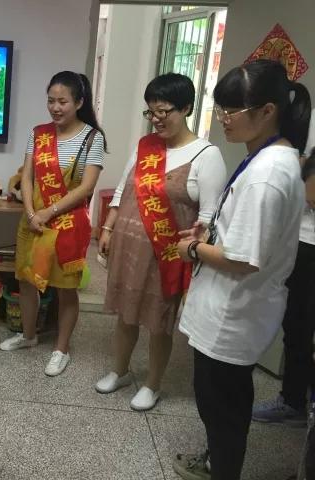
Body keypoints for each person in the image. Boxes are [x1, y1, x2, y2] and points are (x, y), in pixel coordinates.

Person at [173, 59, 311, 480]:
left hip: (235, 312)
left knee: (223, 410)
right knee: (219, 405)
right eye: (220, 109)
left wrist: (193, 248)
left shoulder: (268, 173)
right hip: (229, 307)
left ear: (267, 111)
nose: (223, 119)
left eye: (232, 110)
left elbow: (245, 258)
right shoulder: (266, 157)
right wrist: (210, 232)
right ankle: (216, 461)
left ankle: (222, 470)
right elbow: (246, 234)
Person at [95, 73, 226, 411]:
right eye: (150, 112)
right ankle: (120, 370)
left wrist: (196, 252)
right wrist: (107, 228)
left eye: (163, 111)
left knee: (159, 322)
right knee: (125, 314)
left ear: (186, 108)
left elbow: (209, 216)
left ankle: (152, 384)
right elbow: (123, 189)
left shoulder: (206, 155)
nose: (155, 119)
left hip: (166, 254)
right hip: (129, 249)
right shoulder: (146, 146)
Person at [0, 71, 106, 376]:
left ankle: (62, 349)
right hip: (33, 220)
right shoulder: (39, 133)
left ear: (79, 102)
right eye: (51, 101)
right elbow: (27, 177)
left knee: (65, 289)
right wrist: (31, 211)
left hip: (67, 225)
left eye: (63, 101)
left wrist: (48, 212)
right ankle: (28, 336)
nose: (55, 108)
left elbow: (86, 188)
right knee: (26, 280)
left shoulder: (92, 138)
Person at [252, 109, 315, 426]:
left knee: (300, 328)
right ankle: (293, 400)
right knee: (296, 328)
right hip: (301, 240)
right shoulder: (311, 118)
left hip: (309, 244)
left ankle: (294, 402)